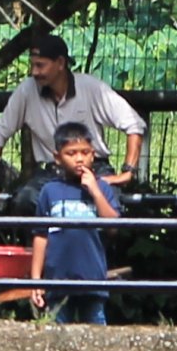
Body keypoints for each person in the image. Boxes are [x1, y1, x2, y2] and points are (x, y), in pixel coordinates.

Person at [0, 32, 143, 208]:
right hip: (53, 172)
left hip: (94, 169)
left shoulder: (90, 87)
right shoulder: (27, 90)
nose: (34, 72)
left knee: (109, 203)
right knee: (24, 202)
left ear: (60, 63)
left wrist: (127, 172)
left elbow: (134, 124)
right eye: (32, 65)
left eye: (40, 65)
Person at [26, 120, 122, 325]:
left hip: (92, 278)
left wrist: (95, 191)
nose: (79, 159)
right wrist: (36, 280)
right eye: (71, 153)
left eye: (84, 152)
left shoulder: (102, 189)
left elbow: (113, 227)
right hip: (57, 279)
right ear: (57, 157)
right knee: (57, 333)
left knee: (96, 332)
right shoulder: (49, 191)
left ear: (93, 154)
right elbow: (40, 236)